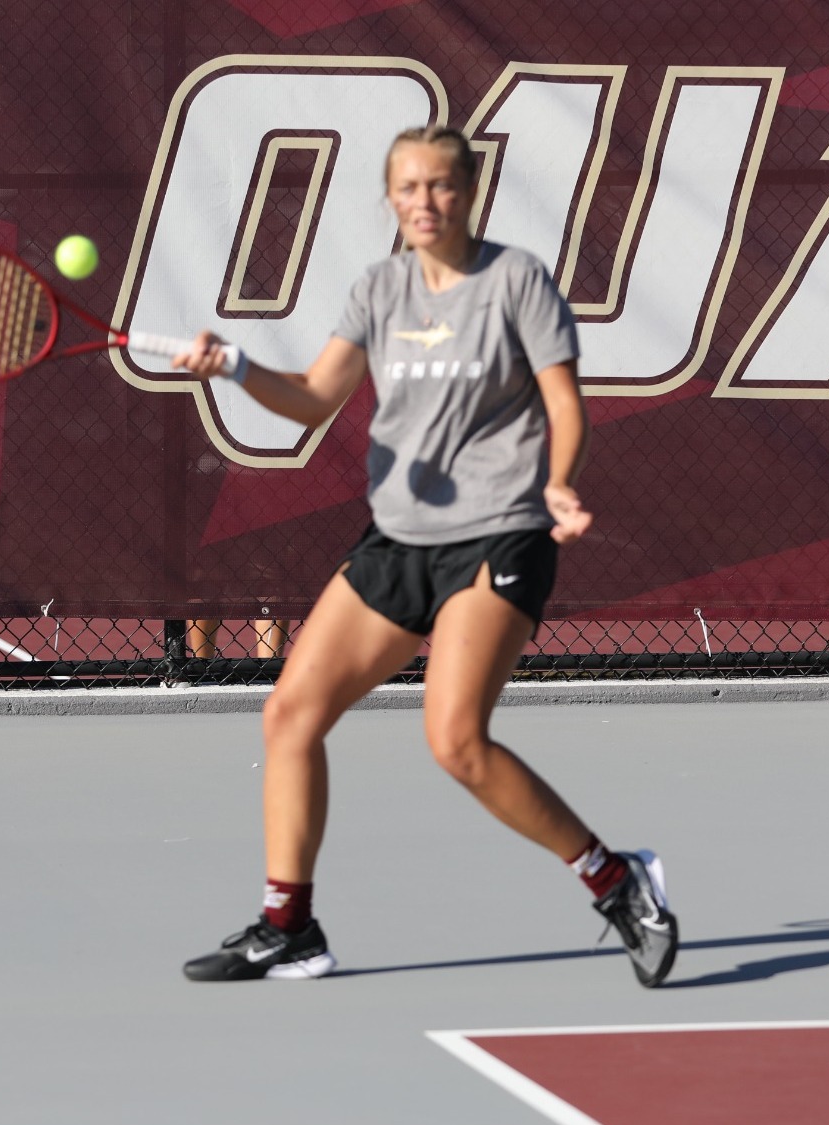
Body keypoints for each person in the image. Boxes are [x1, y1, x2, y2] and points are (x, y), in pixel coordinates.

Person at [168, 125, 678, 988]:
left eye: (440, 186)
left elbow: (566, 404)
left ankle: (615, 880)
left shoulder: (515, 281)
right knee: (290, 714)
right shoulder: (380, 289)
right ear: (390, 200)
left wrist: (557, 484)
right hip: (399, 538)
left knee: (455, 740)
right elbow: (310, 399)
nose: (423, 202)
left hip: (501, 533)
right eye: (407, 188)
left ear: (469, 192)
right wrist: (236, 364)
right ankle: (288, 925)